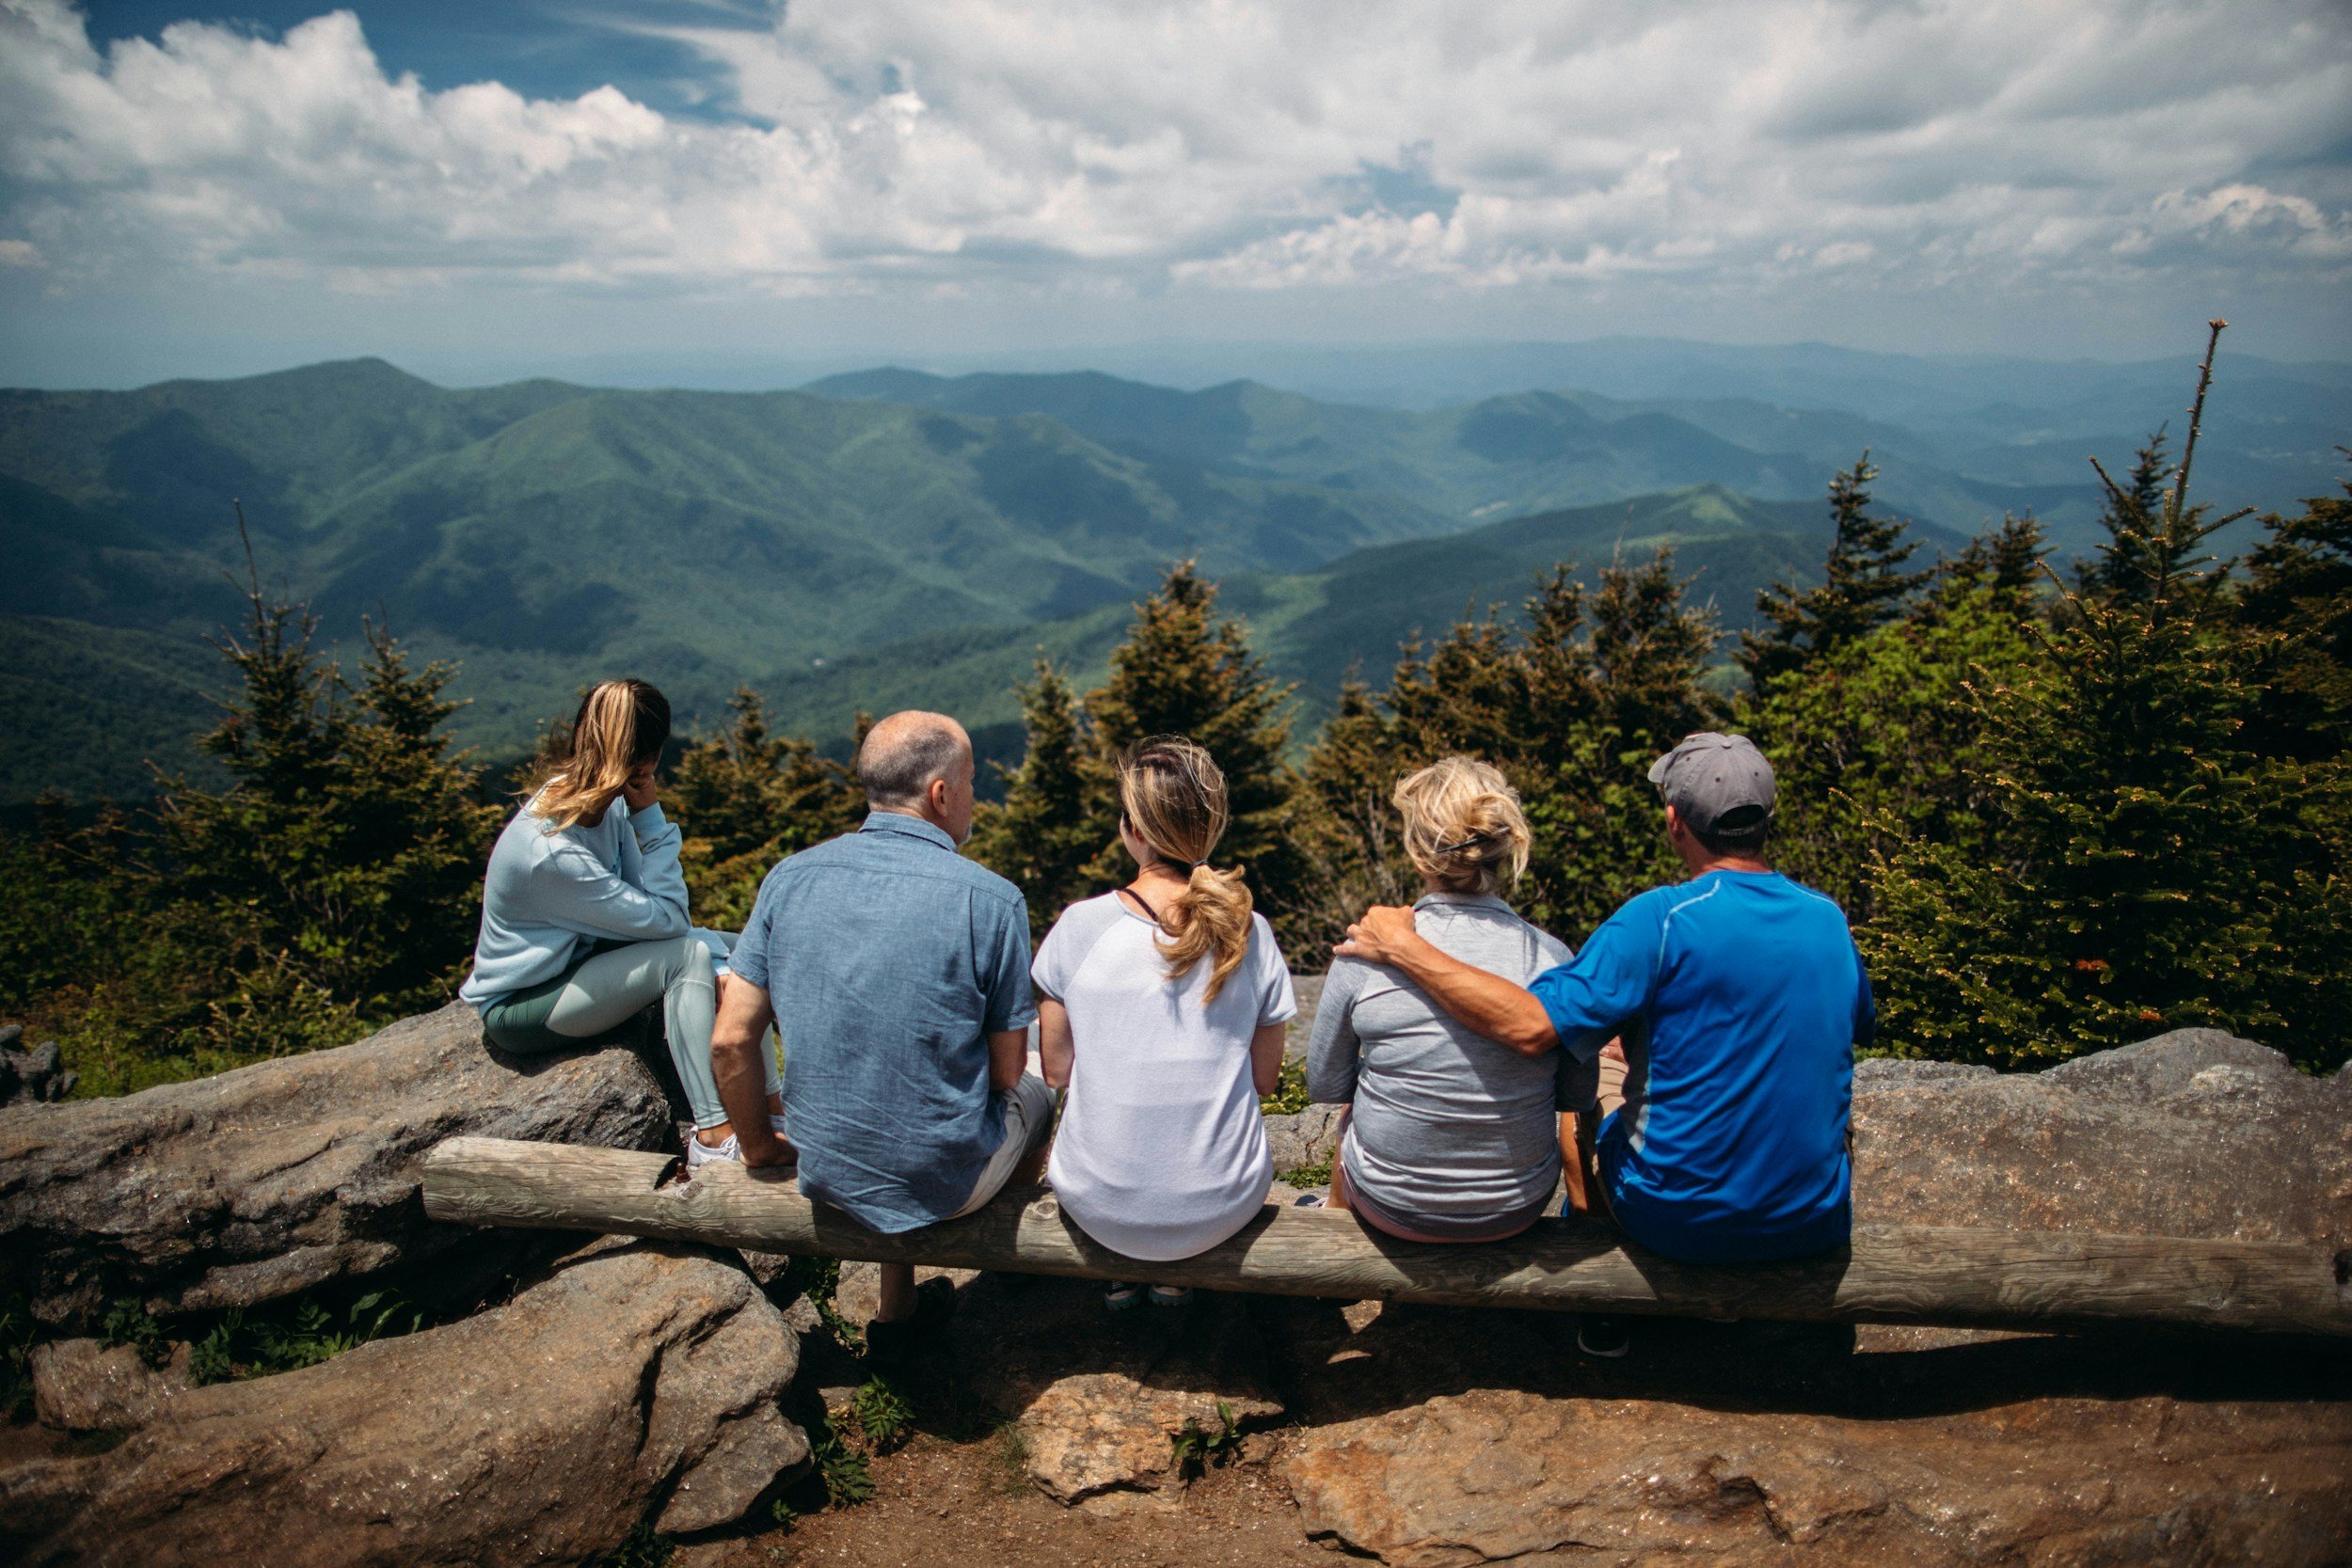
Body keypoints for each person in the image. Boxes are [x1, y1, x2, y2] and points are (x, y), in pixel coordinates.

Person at [1335, 733, 1871, 1352]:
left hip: (1676, 1218)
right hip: (1809, 1219)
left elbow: (1532, 1026)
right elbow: (1847, 1025)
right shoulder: (1827, 918)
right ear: (1767, 819)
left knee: (1589, 1083)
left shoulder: (1658, 919)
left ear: (1675, 822)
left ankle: (1604, 1302)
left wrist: (1404, 947)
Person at [709, 710, 1052, 1357]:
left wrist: (758, 1144)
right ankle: (1009, 1264)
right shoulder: (993, 899)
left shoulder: (790, 877)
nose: (975, 796)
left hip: (826, 1165)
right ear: (941, 794)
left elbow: (730, 1039)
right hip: (947, 1184)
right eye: (972, 781)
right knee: (1040, 1094)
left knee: (882, 1069)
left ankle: (898, 1301)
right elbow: (1007, 1075)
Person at [461, 678, 782, 1165]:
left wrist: (726, 962)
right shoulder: (552, 852)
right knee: (689, 957)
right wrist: (651, 817)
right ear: (648, 760)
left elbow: (655, 910)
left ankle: (773, 1112)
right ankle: (713, 1137)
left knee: (744, 949)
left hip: (579, 965)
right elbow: (671, 922)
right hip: (522, 1005)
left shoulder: (599, 805)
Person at [1032, 736, 1296, 1310]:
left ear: (1133, 829)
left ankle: (1123, 1272)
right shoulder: (1250, 930)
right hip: (1222, 1203)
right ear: (1210, 829)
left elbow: (1057, 1071)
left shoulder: (1079, 927)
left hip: (1100, 1203)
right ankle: (1178, 1277)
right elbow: (1265, 1079)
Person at [1306, 757, 1583, 1243]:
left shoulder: (1365, 951)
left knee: (1355, 1107)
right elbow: (1575, 1095)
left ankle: (1333, 1215)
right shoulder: (1554, 957)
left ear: (1417, 856)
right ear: (1501, 849)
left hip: (1391, 1206)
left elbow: (1327, 1083)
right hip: (1516, 1206)